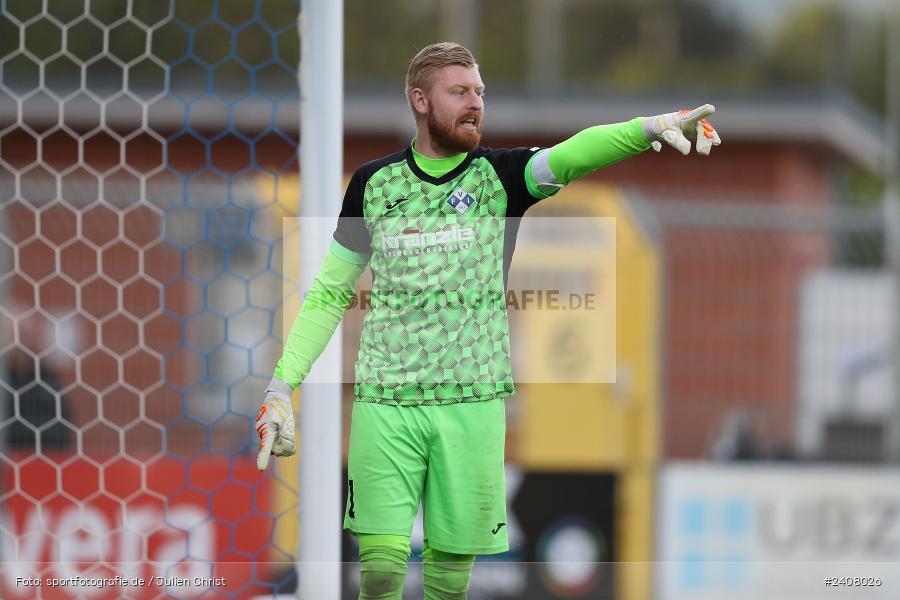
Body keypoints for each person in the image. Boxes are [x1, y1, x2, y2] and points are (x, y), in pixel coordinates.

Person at [255, 42, 720, 599]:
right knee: (378, 568)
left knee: (450, 580)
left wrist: (649, 126)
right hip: (386, 403)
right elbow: (330, 292)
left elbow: (576, 153)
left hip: (472, 406)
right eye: (460, 92)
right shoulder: (373, 185)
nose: (475, 103)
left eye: (479, 92)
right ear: (420, 100)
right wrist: (283, 384)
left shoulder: (502, 179)